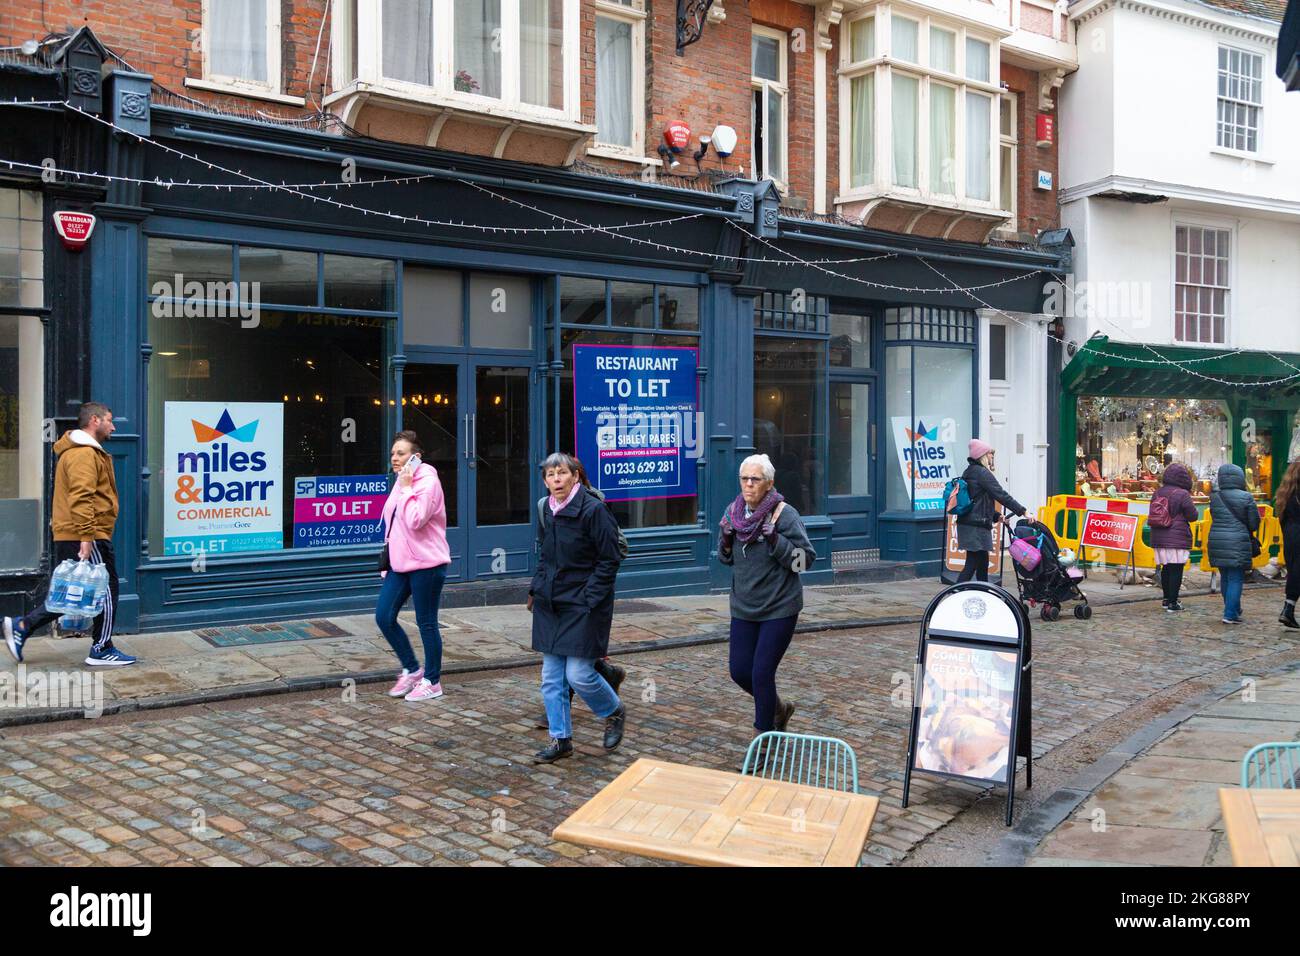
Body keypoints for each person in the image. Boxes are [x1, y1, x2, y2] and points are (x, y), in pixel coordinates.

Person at [4, 402, 135, 666]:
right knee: (106, 588)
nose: (114, 425)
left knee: (74, 591)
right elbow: (82, 497)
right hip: (87, 533)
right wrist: (87, 537)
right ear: (94, 421)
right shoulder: (84, 454)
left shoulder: (82, 452)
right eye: (109, 420)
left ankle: (22, 626)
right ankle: (101, 647)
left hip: (78, 532)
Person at [718, 453, 816, 764]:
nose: (748, 484)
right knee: (739, 671)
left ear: (769, 483)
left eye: (755, 479)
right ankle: (779, 708)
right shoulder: (733, 513)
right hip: (744, 605)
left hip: (779, 606)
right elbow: (726, 559)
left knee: (761, 673)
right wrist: (725, 541)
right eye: (744, 479)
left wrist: (776, 541)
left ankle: (763, 737)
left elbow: (805, 560)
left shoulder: (784, 515)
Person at [528, 453, 625, 763]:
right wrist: (537, 588)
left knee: (580, 673)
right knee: (551, 677)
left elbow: (609, 559)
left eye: (561, 473)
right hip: (552, 602)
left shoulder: (594, 510)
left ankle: (614, 711)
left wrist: (589, 597)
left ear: (574, 477)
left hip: (584, 603)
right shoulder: (546, 509)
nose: (556, 479)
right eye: (550, 475)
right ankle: (560, 740)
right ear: (544, 481)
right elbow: (546, 555)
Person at [376, 430, 450, 702]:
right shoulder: (401, 479)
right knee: (383, 616)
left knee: (426, 622)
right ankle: (412, 668)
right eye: (393, 453)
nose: (394, 458)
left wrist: (407, 488)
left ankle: (432, 680)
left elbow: (416, 519)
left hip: (427, 563)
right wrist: (389, 561)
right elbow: (392, 520)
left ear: (416, 457)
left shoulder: (428, 481)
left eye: (401, 453)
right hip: (400, 564)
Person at [955, 439, 1029, 583]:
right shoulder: (982, 473)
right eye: (989, 453)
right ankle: (955, 594)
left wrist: (997, 516)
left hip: (971, 523)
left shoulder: (969, 471)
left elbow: (977, 501)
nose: (991, 456)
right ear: (982, 455)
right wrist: (1023, 511)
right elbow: (1000, 494)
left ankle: (984, 593)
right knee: (972, 563)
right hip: (976, 526)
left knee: (982, 563)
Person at [1208, 463, 1259, 625]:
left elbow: (1214, 516)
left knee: (1225, 578)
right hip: (1238, 540)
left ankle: (1234, 610)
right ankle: (1230, 614)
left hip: (1217, 539)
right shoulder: (1246, 497)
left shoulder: (1215, 497)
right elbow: (1253, 523)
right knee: (1236, 578)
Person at [1150, 462, 1199, 612]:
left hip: (1159, 536)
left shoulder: (1157, 493)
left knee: (1166, 568)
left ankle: (1166, 599)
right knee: (1176, 569)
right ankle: (1173, 602)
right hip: (1177, 537)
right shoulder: (1182, 494)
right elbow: (1193, 516)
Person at [1274, 459, 1300, 628]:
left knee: (1295, 571)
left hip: (1291, 534)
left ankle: (1288, 608)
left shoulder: (1286, 493)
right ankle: (1287, 610)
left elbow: (1281, 519)